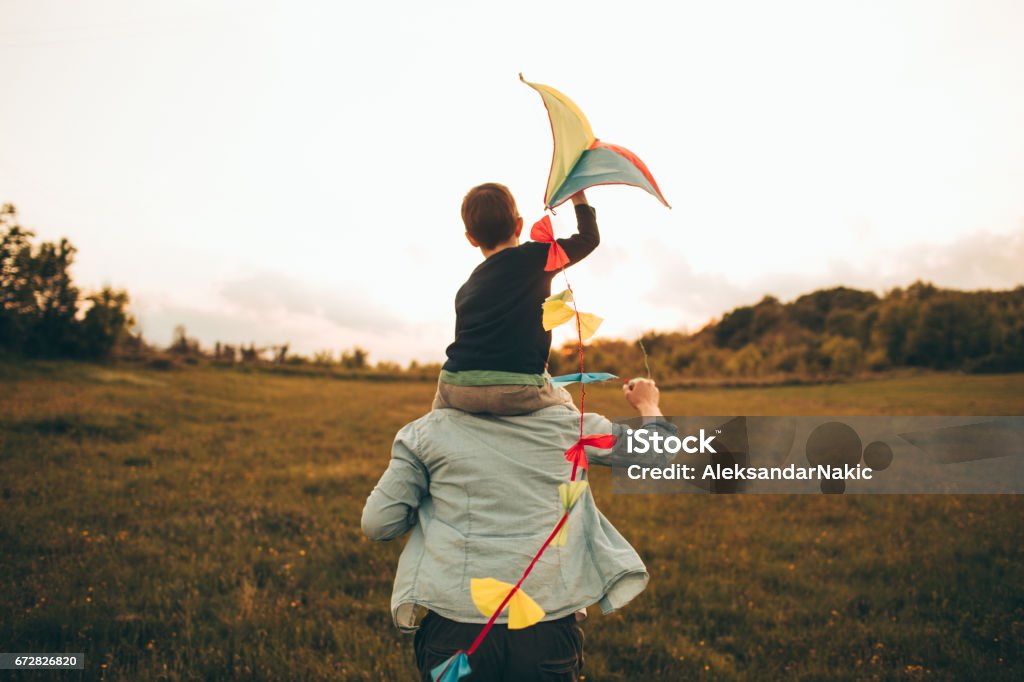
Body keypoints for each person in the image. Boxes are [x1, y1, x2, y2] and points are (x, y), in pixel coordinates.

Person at [361, 378, 679, 681]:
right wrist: (648, 402)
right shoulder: (572, 427)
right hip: (546, 629)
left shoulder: (426, 434)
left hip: (455, 629)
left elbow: (378, 523)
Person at [434, 183, 599, 415]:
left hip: (453, 386)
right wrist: (578, 196)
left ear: (471, 238)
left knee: (437, 421)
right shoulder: (536, 257)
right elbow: (588, 239)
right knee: (566, 407)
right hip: (515, 388)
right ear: (519, 225)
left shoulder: (466, 288)